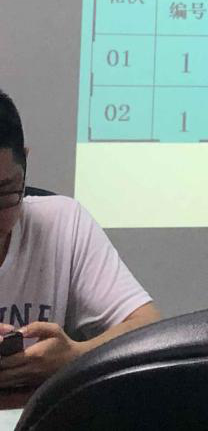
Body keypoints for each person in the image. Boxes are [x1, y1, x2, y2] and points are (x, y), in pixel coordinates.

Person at [0, 90, 160, 388]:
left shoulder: (63, 223)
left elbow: (147, 326)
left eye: (5, 192)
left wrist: (75, 356)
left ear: (25, 164)